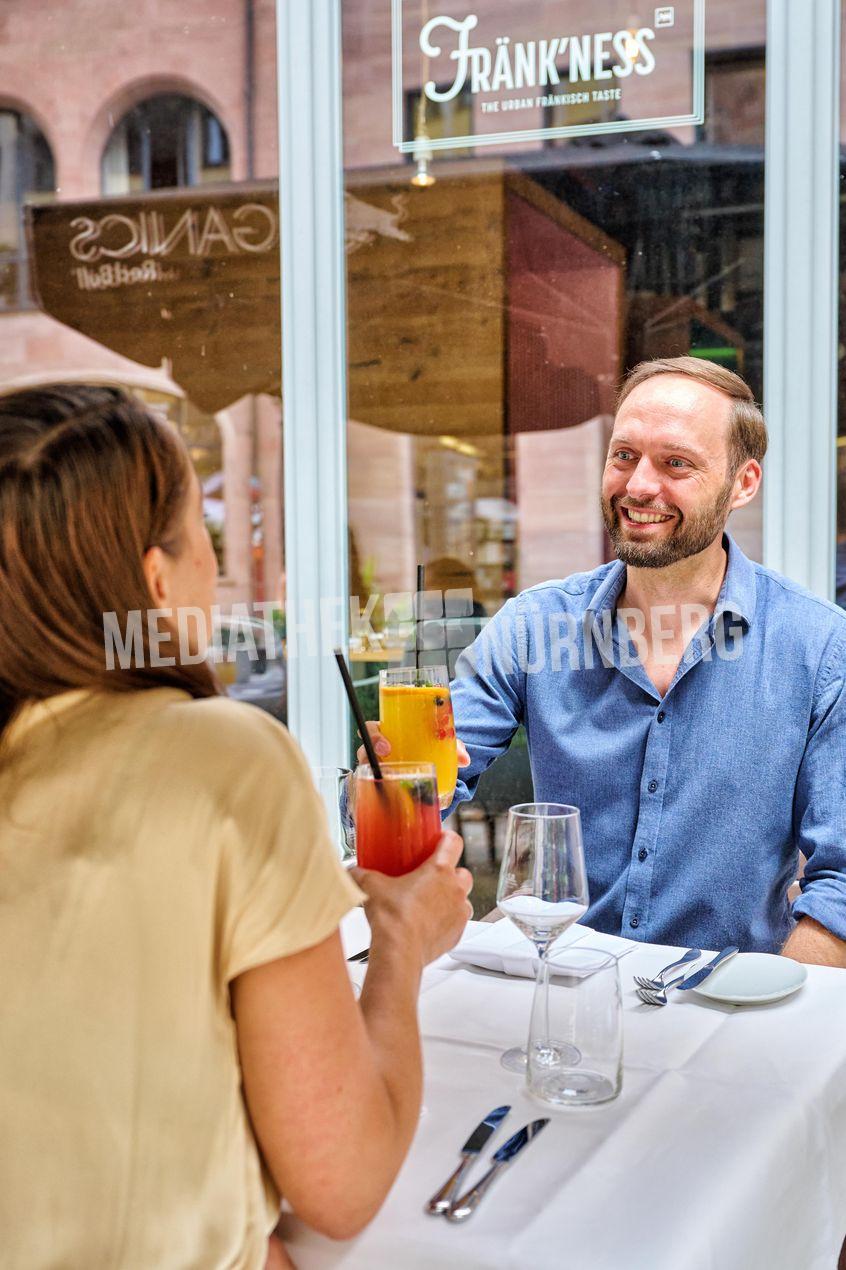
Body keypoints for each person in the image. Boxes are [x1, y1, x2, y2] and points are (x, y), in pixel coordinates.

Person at [0, 385, 473, 1269]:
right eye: (206, 540)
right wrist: (403, 939)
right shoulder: (221, 759)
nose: (220, 571)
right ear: (152, 580)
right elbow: (342, 1182)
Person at [365, 357, 846, 964]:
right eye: (624, 456)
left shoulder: (820, 647)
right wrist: (398, 786)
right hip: (558, 981)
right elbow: (431, 782)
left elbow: (841, 883)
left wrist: (768, 1016)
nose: (639, 485)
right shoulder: (534, 627)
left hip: (725, 1003)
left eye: (676, 463)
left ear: (743, 483)